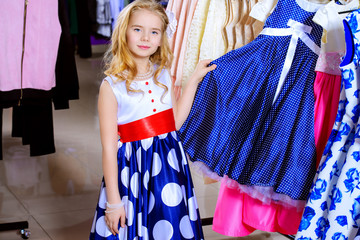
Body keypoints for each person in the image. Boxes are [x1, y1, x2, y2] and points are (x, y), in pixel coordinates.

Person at [89, 0, 216, 239]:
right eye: (137, 29)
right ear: (123, 31)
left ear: (161, 38)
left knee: (169, 221)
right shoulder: (112, 86)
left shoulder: (163, 74)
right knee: (131, 224)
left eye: (154, 31)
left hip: (169, 166)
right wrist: (114, 202)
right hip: (133, 168)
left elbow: (174, 123)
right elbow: (108, 149)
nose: (145, 37)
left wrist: (194, 80)